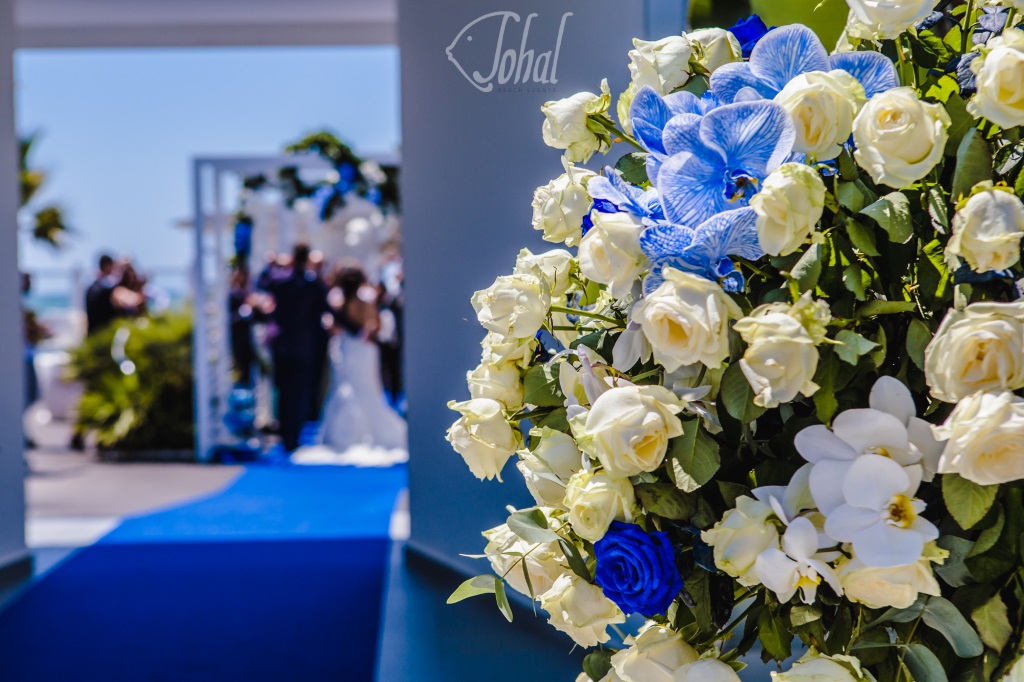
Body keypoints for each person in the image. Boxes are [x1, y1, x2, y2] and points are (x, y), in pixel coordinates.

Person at [293, 264, 407, 465]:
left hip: (348, 348)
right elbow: (375, 325)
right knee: (367, 389)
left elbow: (335, 326)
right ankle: (367, 431)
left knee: (348, 387)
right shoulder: (364, 301)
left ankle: (345, 433)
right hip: (363, 349)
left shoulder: (338, 302)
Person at [268, 244, 329, 452]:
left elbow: (262, 286)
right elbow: (328, 310)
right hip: (304, 346)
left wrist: (273, 263)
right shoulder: (314, 285)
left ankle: (286, 435)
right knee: (300, 391)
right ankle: (294, 435)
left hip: (284, 345)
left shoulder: (280, 283)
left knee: (285, 391)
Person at [84, 254, 118, 335]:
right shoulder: (105, 288)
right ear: (107, 266)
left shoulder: (92, 287)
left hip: (93, 332)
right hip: (102, 333)